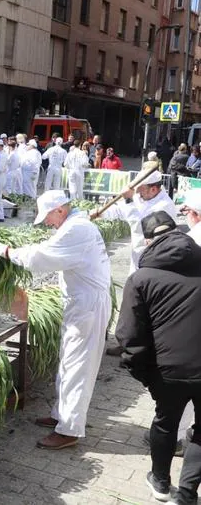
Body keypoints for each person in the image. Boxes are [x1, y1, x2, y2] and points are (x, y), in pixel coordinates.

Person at [0, 190, 111, 449]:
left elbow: (41, 256)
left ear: (60, 210)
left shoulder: (77, 229)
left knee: (78, 366)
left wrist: (7, 252)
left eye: (48, 217)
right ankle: (61, 415)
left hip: (88, 307)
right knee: (68, 362)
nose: (47, 223)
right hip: (82, 303)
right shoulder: (77, 224)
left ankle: (69, 430)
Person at [115, 212, 201, 505]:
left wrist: (145, 375)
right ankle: (188, 494)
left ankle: (161, 482)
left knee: (166, 422)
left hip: (168, 371)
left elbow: (128, 335)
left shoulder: (141, 278)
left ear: (149, 241)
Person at [95, 169, 178, 275]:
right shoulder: (143, 197)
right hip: (137, 255)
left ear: (153, 189)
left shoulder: (165, 206)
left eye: (141, 189)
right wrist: (101, 213)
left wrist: (129, 200)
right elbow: (121, 211)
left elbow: (141, 226)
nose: (137, 193)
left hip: (155, 260)